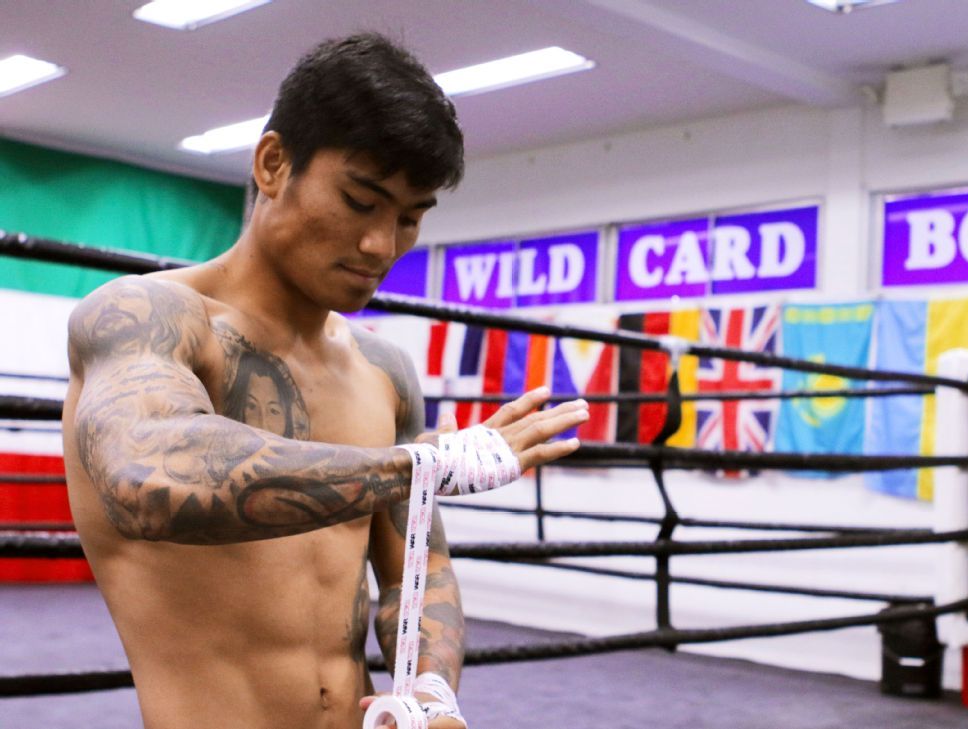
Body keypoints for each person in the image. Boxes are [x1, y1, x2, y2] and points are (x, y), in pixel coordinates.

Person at [61, 33, 588, 729]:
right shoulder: (148, 317)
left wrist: (430, 691)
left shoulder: (383, 371)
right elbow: (147, 474)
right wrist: (420, 466)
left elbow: (418, 568)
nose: (381, 245)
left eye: (409, 218)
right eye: (360, 201)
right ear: (273, 164)